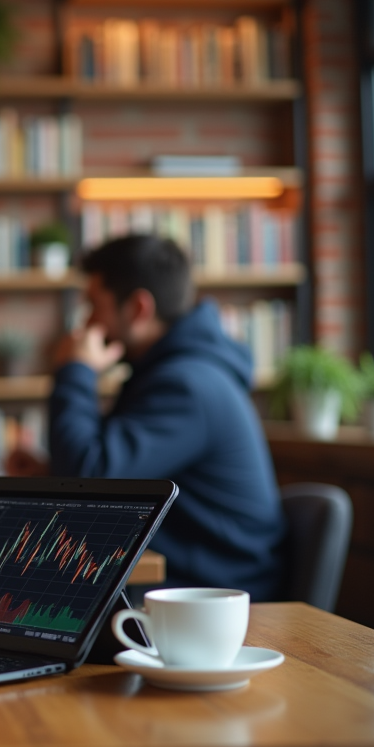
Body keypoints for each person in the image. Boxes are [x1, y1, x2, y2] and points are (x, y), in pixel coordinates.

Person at [43, 235, 284, 602]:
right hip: (183, 579)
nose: (87, 323)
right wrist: (46, 471)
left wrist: (76, 370)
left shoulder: (187, 386)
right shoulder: (167, 374)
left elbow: (88, 480)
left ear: (138, 308)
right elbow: (109, 477)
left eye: (94, 306)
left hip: (215, 600)